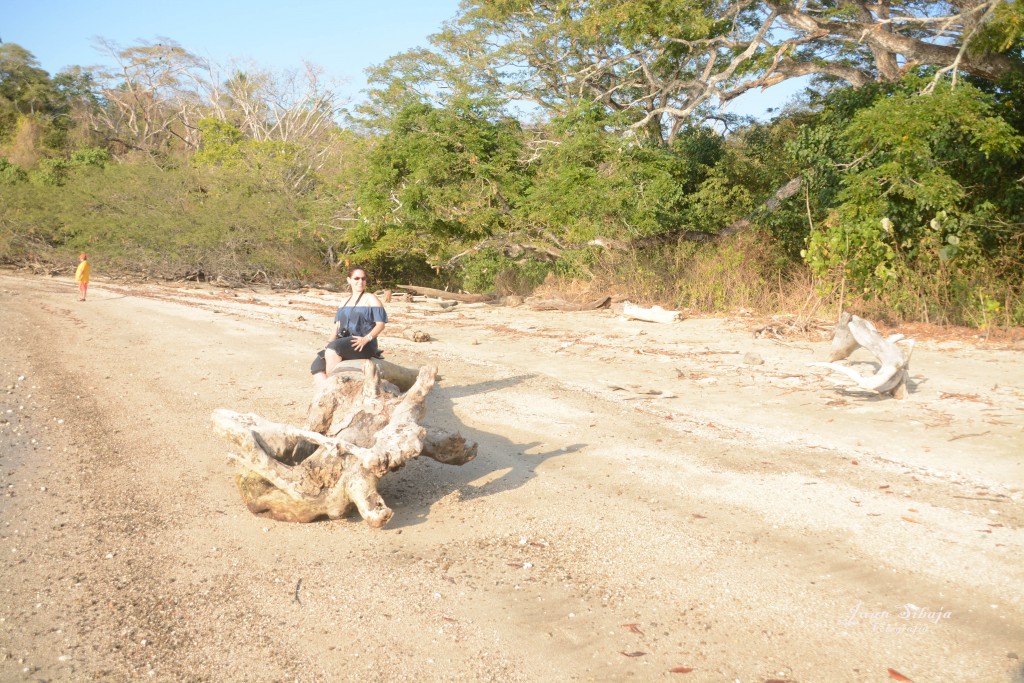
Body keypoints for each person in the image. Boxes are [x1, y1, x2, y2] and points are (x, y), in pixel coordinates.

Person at [311, 266, 387, 384]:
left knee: (333, 350)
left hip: (363, 344)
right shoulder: (344, 302)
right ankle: (326, 390)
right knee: (317, 366)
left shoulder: (371, 299)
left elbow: (380, 325)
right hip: (343, 342)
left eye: (363, 279)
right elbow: (337, 326)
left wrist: (366, 339)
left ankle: (333, 385)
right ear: (349, 280)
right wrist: (329, 342)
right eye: (356, 278)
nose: (360, 281)